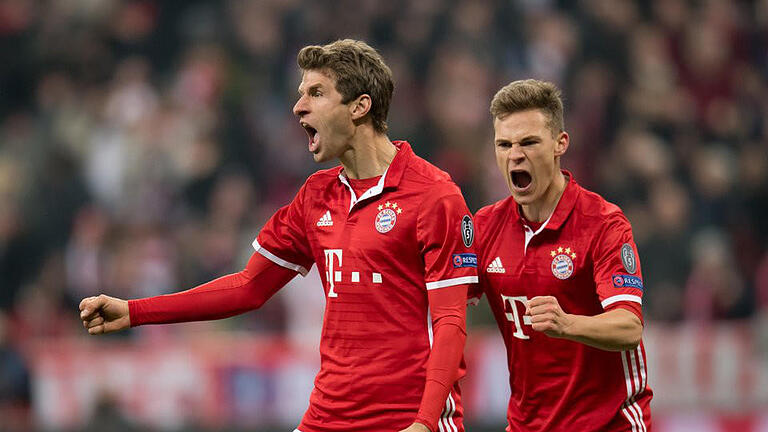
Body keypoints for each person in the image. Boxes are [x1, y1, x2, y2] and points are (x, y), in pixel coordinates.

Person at [79, 39, 478, 432]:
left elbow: (449, 323)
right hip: (329, 416)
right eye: (300, 93)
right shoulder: (316, 196)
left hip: (405, 419)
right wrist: (134, 311)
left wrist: (425, 424)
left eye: (316, 93)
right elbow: (248, 287)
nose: (299, 106)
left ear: (359, 106)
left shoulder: (433, 196)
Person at [470, 79, 653, 431]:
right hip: (527, 424)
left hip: (609, 423)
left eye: (529, 142)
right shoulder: (485, 227)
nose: (515, 155)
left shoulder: (603, 224)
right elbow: (442, 301)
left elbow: (629, 326)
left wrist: (567, 323)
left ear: (560, 143)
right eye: (504, 144)